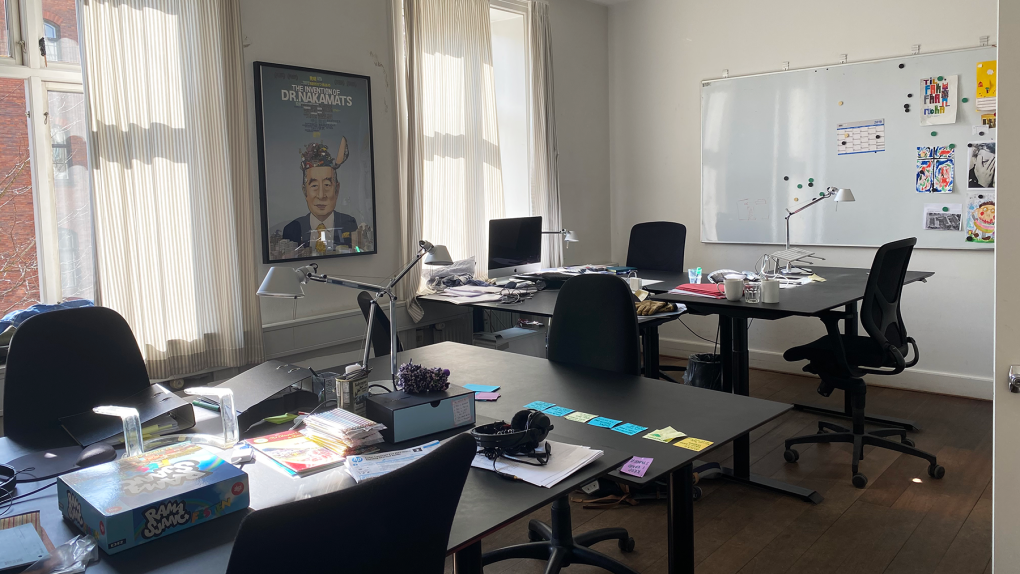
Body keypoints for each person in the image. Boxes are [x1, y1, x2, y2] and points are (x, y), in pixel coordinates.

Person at [282, 140, 358, 254]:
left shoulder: (349, 224)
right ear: (304, 191)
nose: (321, 195)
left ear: (337, 189)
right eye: (314, 186)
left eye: (327, 185)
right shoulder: (291, 230)